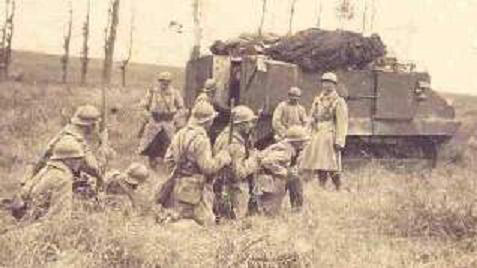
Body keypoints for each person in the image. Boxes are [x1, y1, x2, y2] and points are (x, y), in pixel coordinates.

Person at [159, 101, 231, 226]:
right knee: (207, 224)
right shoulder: (201, 140)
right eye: (212, 119)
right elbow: (208, 168)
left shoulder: (180, 134)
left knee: (180, 215)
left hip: (179, 184)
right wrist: (222, 158)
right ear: (207, 121)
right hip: (197, 188)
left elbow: (168, 159)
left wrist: (181, 171)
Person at [24, 105, 107, 197]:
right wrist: (100, 178)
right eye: (95, 125)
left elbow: (42, 157)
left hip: (46, 178)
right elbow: (91, 167)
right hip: (57, 183)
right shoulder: (72, 143)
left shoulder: (66, 135)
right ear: (91, 126)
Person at [17, 137, 85, 223]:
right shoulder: (63, 178)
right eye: (77, 158)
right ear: (67, 159)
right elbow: (60, 218)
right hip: (39, 227)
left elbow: (25, 193)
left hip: (28, 219)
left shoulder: (47, 169)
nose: (79, 161)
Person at [301, 72, 348, 190]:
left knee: (332, 163)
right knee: (319, 162)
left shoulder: (338, 101)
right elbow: (311, 116)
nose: (326, 85)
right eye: (324, 82)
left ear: (334, 85)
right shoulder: (318, 100)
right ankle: (322, 186)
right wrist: (305, 132)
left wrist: (340, 140)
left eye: (329, 83)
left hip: (330, 134)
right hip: (318, 133)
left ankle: (338, 186)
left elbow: (342, 122)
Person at [212, 105, 260, 222]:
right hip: (233, 190)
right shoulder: (236, 144)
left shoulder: (222, 136)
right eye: (248, 123)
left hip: (218, 186)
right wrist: (253, 160)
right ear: (240, 125)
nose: (251, 126)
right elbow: (239, 173)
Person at [255, 126, 309, 216]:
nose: (304, 144)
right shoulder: (285, 151)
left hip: (267, 180)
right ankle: (297, 210)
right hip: (267, 182)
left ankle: (297, 210)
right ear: (296, 142)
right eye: (302, 142)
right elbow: (266, 162)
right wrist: (284, 172)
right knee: (270, 215)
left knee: (294, 178)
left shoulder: (287, 148)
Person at [137, 71, 186, 170]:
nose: (165, 84)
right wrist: (148, 117)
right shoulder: (152, 92)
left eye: (167, 82)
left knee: (169, 145)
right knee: (152, 145)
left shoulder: (175, 93)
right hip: (154, 123)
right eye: (162, 81)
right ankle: (152, 165)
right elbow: (142, 106)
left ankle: (167, 166)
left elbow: (181, 108)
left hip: (168, 123)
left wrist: (175, 118)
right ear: (159, 81)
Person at [272, 86, 308, 211]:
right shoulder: (282, 106)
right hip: (284, 137)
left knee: (294, 166)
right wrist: (285, 133)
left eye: (297, 97)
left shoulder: (300, 109)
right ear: (288, 96)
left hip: (297, 138)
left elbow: (305, 122)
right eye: (292, 97)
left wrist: (301, 132)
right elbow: (276, 121)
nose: (294, 99)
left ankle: (296, 206)